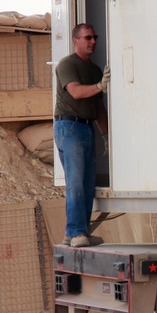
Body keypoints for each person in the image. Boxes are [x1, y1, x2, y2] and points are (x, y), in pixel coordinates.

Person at [53, 22, 109, 248]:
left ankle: (79, 232)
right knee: (75, 182)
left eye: (94, 37)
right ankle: (75, 232)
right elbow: (76, 92)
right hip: (70, 127)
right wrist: (100, 85)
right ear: (76, 41)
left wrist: (106, 135)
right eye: (87, 38)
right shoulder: (68, 64)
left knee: (87, 184)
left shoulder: (95, 70)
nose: (93, 41)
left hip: (85, 127)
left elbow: (98, 107)